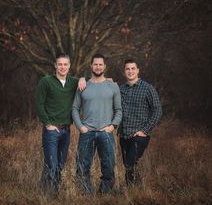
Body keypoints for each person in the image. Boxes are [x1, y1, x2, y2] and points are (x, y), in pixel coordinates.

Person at [35, 53, 86, 193]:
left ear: (69, 66)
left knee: (60, 164)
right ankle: (49, 195)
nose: (63, 67)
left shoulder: (73, 82)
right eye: (60, 64)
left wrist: (82, 78)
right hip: (51, 130)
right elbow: (39, 104)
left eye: (65, 64)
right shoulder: (46, 81)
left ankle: (51, 192)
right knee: (51, 164)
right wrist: (47, 124)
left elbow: (91, 81)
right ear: (55, 65)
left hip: (66, 130)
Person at [72, 54, 122, 194]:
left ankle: (104, 195)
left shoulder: (113, 86)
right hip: (87, 133)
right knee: (82, 167)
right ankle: (87, 196)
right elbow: (75, 108)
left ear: (105, 66)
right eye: (95, 64)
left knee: (109, 167)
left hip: (106, 133)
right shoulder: (83, 85)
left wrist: (112, 127)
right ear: (91, 66)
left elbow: (118, 110)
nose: (98, 67)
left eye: (100, 64)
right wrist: (81, 127)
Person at [118, 59, 162, 187]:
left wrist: (144, 130)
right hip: (124, 135)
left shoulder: (147, 88)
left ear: (138, 70)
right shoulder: (120, 89)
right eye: (127, 69)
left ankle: (133, 191)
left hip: (139, 135)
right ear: (124, 71)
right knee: (128, 166)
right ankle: (134, 192)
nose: (130, 71)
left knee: (131, 163)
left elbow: (157, 110)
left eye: (133, 68)